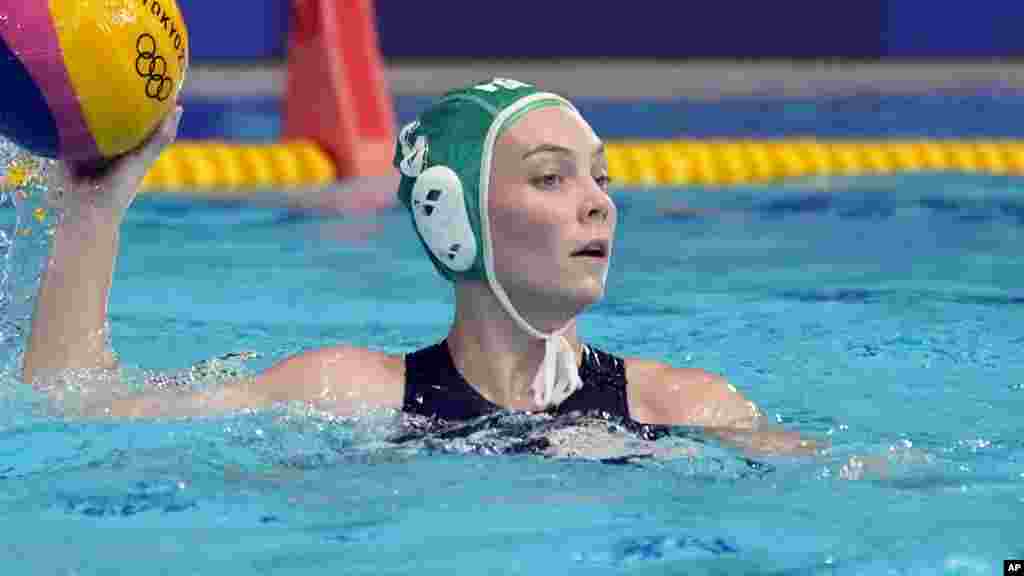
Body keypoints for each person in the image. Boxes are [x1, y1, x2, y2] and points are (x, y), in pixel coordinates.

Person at [21, 78, 816, 457]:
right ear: (451, 216)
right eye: (550, 177)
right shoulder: (341, 393)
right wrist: (94, 211)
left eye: (600, 178)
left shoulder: (689, 406)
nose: (598, 203)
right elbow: (77, 412)